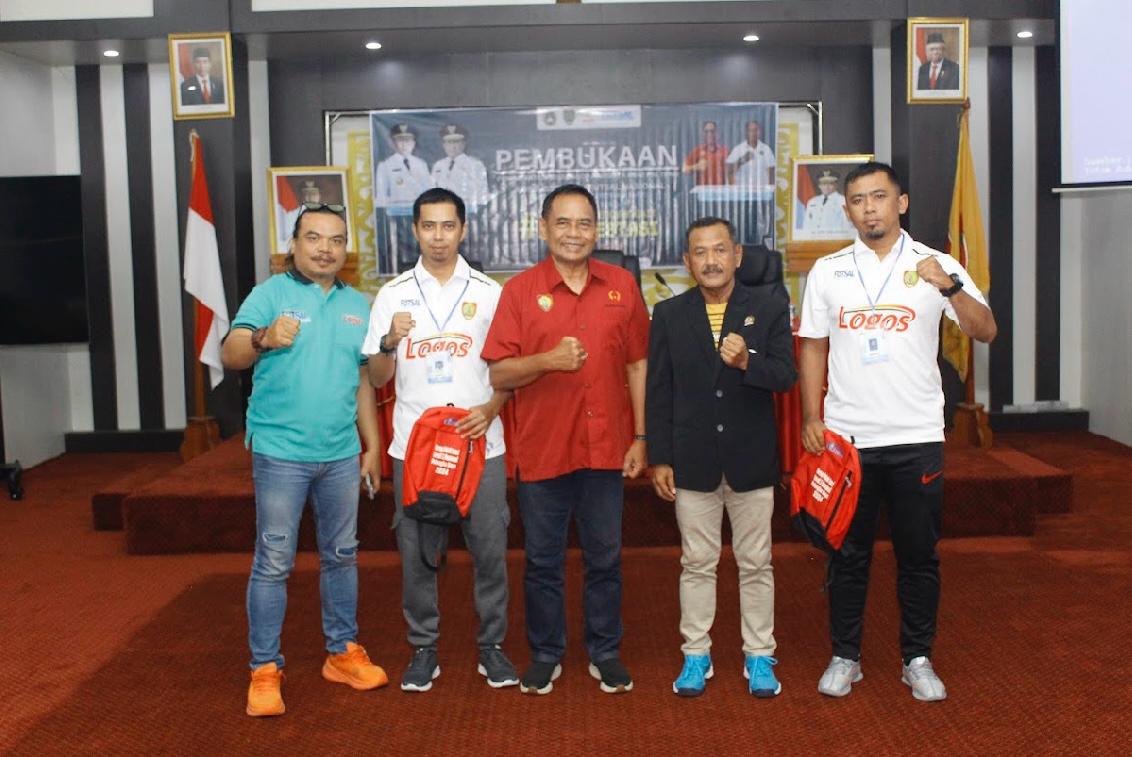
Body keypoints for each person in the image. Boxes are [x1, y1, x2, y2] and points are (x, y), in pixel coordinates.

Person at [797, 161, 996, 702]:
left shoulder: (936, 264)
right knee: (847, 557)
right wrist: (812, 417)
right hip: (848, 443)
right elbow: (812, 344)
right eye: (858, 200)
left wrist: (950, 288)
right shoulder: (828, 270)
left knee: (918, 556)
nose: (869, 208)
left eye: (879, 197)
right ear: (847, 210)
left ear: (901, 203)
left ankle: (917, 658)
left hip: (916, 438)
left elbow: (985, 330)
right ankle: (846, 656)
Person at [481, 184, 650, 696]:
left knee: (605, 559)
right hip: (545, 448)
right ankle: (546, 653)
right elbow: (499, 374)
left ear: (597, 230)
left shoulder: (622, 284)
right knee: (542, 562)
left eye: (584, 223)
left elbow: (638, 364)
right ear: (543, 228)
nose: (574, 233)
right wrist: (547, 361)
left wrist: (641, 436)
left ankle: (605, 650)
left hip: (607, 448)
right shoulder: (519, 291)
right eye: (563, 222)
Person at [222, 202, 387, 718]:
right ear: (293, 244)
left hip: (340, 454)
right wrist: (263, 337)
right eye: (313, 237)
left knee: (342, 555)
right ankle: (264, 668)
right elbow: (230, 353)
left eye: (336, 240)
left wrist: (372, 445)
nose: (325, 248)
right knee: (274, 561)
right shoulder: (270, 293)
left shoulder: (358, 304)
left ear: (345, 250)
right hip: (281, 452)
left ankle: (341, 653)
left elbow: (365, 380)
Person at [362, 188, 517, 692]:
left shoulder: (490, 293)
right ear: (414, 230)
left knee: (490, 550)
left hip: (480, 443)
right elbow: (378, 377)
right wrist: (389, 341)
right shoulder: (392, 294)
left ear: (463, 230)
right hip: (416, 448)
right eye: (428, 226)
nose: (438, 237)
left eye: (448, 226)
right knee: (417, 554)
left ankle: (492, 646)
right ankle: (423, 647)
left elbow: (508, 371)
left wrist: (490, 410)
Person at [647, 216, 796, 699]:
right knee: (696, 563)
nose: (710, 261)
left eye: (719, 250)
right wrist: (660, 457)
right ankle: (696, 654)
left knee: (756, 562)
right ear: (687, 262)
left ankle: (759, 654)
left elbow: (786, 376)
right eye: (700, 252)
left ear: (737, 256)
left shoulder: (768, 307)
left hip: (750, 458)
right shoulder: (669, 314)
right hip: (692, 459)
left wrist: (748, 361)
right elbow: (659, 391)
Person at [375, 124, 434, 272]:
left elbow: (429, 192)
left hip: (418, 217)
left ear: (413, 143)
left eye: (407, 141)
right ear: (393, 143)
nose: (404, 145)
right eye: (400, 140)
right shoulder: (385, 165)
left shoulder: (421, 164)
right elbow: (381, 197)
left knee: (421, 252)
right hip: (396, 219)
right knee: (398, 253)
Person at [431, 124, 489, 208]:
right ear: (443, 145)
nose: (452, 147)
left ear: (464, 144)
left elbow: (481, 195)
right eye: (449, 142)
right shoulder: (438, 165)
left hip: (465, 209)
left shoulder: (475, 165)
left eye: (456, 142)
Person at [725, 121, 776, 187]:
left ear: (759, 132)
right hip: (742, 190)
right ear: (746, 132)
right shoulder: (738, 149)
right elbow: (729, 170)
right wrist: (742, 160)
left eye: (756, 130)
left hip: (762, 191)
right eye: (751, 130)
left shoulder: (766, 149)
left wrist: (770, 189)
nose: (753, 133)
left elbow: (772, 171)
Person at [802, 171, 851, 236]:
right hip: (813, 239)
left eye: (830, 184)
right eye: (823, 184)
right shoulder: (812, 202)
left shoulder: (843, 201)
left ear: (836, 185)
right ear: (819, 186)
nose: (826, 187)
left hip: (834, 238)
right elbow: (806, 225)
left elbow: (847, 225)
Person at [682, 121, 729, 186]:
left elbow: (733, 171)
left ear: (717, 133)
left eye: (712, 131)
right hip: (703, 190)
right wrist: (697, 166)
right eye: (706, 132)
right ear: (703, 134)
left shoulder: (725, 151)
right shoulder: (698, 150)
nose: (709, 134)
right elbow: (684, 169)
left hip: (720, 190)